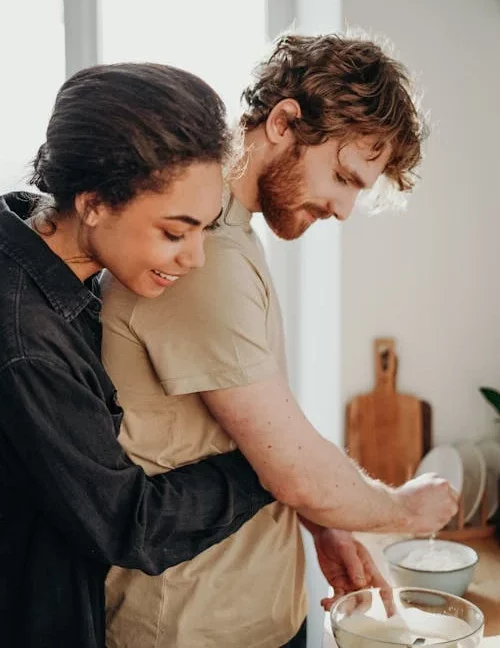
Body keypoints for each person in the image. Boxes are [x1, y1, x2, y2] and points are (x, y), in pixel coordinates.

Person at [102, 35, 459, 648]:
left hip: (246, 611)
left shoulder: (231, 236)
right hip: (194, 627)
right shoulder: (204, 252)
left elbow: (255, 429)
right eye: (344, 177)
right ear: (284, 121)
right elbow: (292, 470)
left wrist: (327, 524)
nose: (345, 210)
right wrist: (404, 510)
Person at [0, 63, 283, 648]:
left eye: (205, 230)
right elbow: (128, 522)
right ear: (96, 203)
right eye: (175, 233)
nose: (197, 258)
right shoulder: (28, 341)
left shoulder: (30, 226)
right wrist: (271, 464)